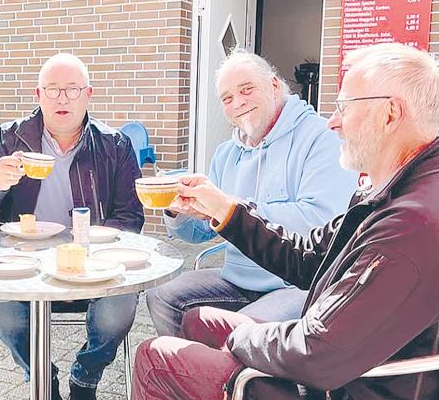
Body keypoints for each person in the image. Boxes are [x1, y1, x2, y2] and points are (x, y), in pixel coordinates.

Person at [125, 43, 439, 400]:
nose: (332, 122)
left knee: (156, 358)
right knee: (197, 319)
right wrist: (225, 211)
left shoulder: (414, 227)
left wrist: (238, 341)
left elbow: (316, 353)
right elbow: (308, 258)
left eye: (345, 106)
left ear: (390, 113)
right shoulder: (396, 191)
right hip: (349, 384)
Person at [0, 53, 144, 400]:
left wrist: (98, 246)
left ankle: (85, 379)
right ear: (38, 94)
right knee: (7, 311)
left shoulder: (115, 144)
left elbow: (131, 216)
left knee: (121, 305)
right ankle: (43, 380)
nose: (63, 99)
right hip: (25, 264)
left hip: (93, 263)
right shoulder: (10, 138)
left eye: (72, 89)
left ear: (88, 94)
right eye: (53, 90)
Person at [146, 50, 356, 336]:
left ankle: (225, 377)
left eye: (247, 90)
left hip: (297, 283)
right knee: (161, 296)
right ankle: (188, 372)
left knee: (237, 336)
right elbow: (200, 235)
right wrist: (177, 210)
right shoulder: (226, 153)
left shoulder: (321, 137)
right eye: (228, 98)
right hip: (237, 279)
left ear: (273, 86)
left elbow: (319, 220)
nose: (238, 103)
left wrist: (228, 208)